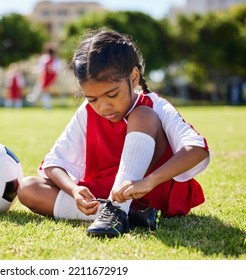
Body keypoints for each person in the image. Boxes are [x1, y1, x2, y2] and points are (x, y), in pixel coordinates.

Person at [18, 29, 210, 238]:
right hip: (106, 193)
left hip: (151, 191)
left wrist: (149, 181)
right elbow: (53, 163)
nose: (103, 106)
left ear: (134, 77)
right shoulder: (87, 111)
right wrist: (74, 190)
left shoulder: (153, 104)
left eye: (112, 94)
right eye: (93, 99)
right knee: (28, 187)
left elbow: (197, 149)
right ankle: (129, 216)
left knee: (142, 115)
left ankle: (118, 212)